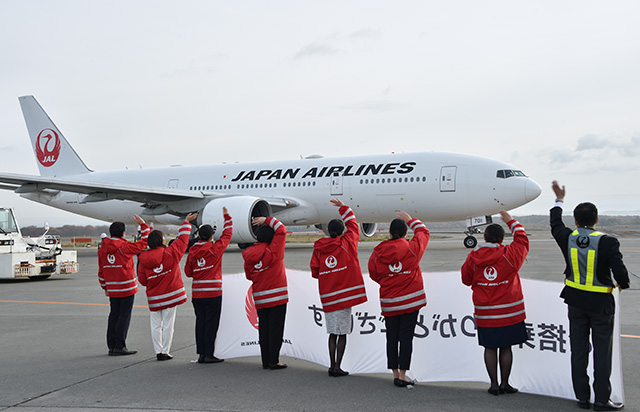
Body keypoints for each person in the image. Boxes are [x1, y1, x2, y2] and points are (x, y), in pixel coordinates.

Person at [551, 181, 629, 411]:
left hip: (575, 302)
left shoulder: (567, 237)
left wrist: (559, 200)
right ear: (596, 220)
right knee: (602, 355)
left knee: (579, 351)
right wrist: (620, 285)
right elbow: (621, 274)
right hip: (601, 306)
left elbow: (555, 223)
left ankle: (582, 398)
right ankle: (602, 400)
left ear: (575, 221)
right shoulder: (607, 242)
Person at [461, 210, 528, 396]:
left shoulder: (474, 257)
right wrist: (511, 221)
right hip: (509, 312)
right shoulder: (509, 254)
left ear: (484, 237)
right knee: (506, 348)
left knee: (490, 348)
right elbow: (522, 239)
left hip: (486, 312)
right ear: (502, 239)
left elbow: (466, 279)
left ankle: (493, 384)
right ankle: (505, 383)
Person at [368, 211, 429, 387]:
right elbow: (424, 232)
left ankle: (394, 373)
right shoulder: (412, 248)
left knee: (392, 337)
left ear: (389, 232)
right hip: (410, 303)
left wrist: (388, 280)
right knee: (406, 338)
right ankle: (403, 375)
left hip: (389, 303)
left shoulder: (378, 252)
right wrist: (411, 220)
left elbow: (374, 273)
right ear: (405, 233)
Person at [310, 199, 367, 377]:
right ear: (342, 232)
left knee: (332, 333)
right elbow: (353, 224)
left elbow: (315, 271)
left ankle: (331, 365)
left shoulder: (319, 248)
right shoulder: (347, 242)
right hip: (345, 297)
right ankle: (338, 367)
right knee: (342, 333)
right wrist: (344, 207)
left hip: (328, 296)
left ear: (327, 230)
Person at [138, 213, 198, 361]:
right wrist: (186, 222)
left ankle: (157, 351)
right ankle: (165, 351)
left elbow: (143, 280)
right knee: (168, 325)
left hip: (154, 297)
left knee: (155, 325)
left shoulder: (143, 259)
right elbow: (183, 240)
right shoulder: (170, 253)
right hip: (170, 296)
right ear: (161, 240)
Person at [184, 207, 233, 364]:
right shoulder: (215, 249)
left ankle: (201, 354)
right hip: (213, 294)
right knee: (211, 325)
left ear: (199, 236)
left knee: (200, 323)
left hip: (198, 294)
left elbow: (188, 272)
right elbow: (227, 235)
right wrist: (227, 218)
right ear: (211, 237)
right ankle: (209, 354)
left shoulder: (192, 252)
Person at [98, 214, 149, 356]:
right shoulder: (124, 246)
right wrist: (144, 225)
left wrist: (105, 287)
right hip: (126, 287)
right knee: (124, 316)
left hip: (112, 288)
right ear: (123, 233)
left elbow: (101, 270)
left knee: (114, 315)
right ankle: (120, 345)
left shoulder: (102, 248)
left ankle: (112, 345)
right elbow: (144, 242)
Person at [242, 215, 288, 370]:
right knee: (275, 329)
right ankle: (274, 361)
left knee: (264, 329)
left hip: (260, 298)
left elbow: (249, 276)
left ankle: (265, 360)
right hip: (277, 297)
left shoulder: (249, 254)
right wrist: (267, 219)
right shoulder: (274, 250)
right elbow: (281, 229)